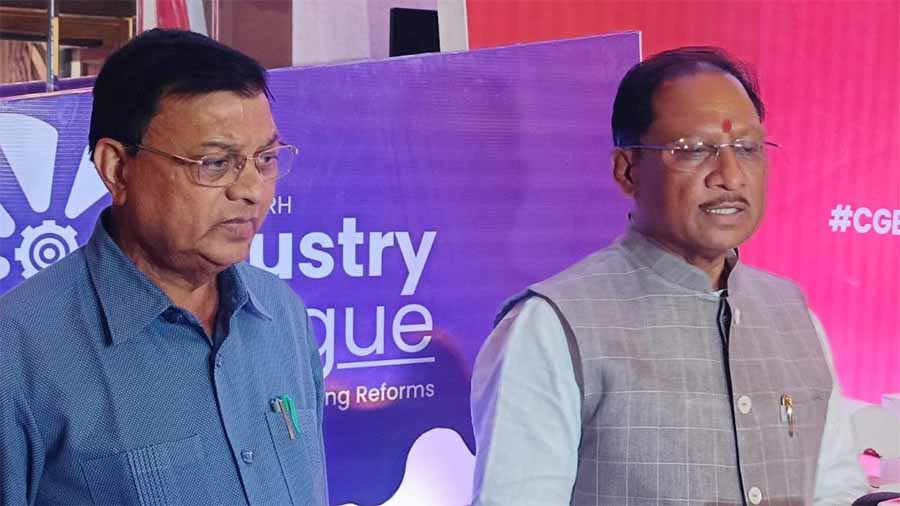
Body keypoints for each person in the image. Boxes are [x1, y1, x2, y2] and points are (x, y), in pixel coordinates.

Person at [470, 47, 868, 505]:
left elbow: (835, 490)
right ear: (627, 171)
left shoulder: (793, 317)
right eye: (693, 150)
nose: (730, 176)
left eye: (747, 149)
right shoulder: (550, 328)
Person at [0, 29, 327, 505]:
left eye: (265, 159)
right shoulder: (19, 349)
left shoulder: (282, 314)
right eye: (215, 163)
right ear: (116, 168)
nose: (252, 190)